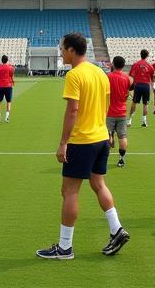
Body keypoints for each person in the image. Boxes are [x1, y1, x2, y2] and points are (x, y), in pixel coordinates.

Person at [37, 32, 130, 260]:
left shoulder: (75, 75)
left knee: (69, 191)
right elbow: (105, 105)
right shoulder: (100, 73)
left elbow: (73, 110)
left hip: (82, 140)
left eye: (62, 48)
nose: (60, 52)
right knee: (99, 184)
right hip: (101, 138)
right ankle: (116, 229)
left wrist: (63, 143)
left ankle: (65, 247)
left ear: (70, 49)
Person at [106, 55, 133, 168]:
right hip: (122, 112)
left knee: (106, 136)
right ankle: (121, 160)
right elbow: (128, 93)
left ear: (113, 64)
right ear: (123, 65)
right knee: (122, 136)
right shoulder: (127, 78)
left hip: (109, 111)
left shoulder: (108, 77)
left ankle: (104, 159)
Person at [127, 49, 155, 127]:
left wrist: (130, 86)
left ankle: (129, 121)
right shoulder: (150, 66)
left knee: (134, 102)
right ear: (147, 56)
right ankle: (144, 121)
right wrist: (154, 88)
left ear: (140, 55)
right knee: (145, 104)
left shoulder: (136, 64)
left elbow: (131, 76)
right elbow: (153, 78)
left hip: (138, 85)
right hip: (146, 85)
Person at [0, 54, 15, 122]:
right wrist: (13, 82)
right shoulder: (10, 68)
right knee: (8, 101)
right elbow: (11, 76)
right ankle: (7, 117)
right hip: (8, 86)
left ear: (1, 60)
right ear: (7, 60)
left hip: (0, 86)